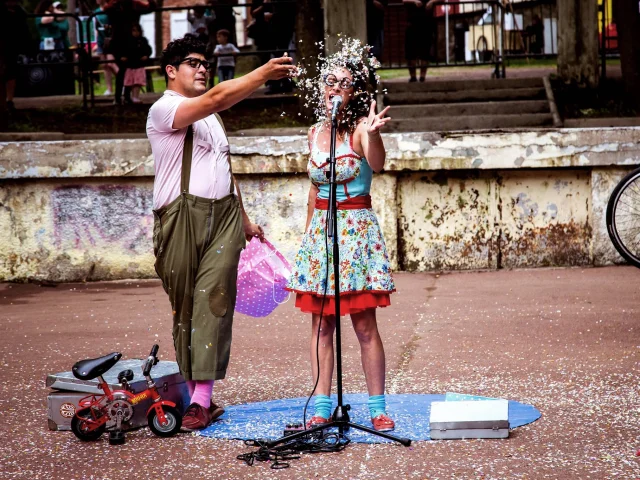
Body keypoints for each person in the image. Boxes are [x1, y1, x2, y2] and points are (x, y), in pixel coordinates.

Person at [146, 34, 295, 430]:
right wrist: (263, 72)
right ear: (171, 71)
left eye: (204, 64)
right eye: (192, 63)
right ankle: (194, 391)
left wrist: (244, 220)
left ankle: (201, 400)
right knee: (185, 306)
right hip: (179, 217)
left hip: (225, 216)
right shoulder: (164, 109)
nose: (202, 69)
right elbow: (214, 98)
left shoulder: (213, 118)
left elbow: (225, 170)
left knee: (213, 300)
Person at [285, 38, 396, 432]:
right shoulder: (314, 132)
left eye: (344, 83)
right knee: (321, 326)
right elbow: (314, 189)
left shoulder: (362, 129)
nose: (335, 87)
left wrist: (376, 132)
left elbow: (378, 165)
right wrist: (306, 241)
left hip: (356, 234)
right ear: (321, 87)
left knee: (365, 326)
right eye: (329, 80)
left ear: (354, 91)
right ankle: (320, 407)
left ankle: (377, 408)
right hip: (322, 234)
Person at [103, 0, 156, 105]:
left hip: (131, 43)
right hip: (120, 43)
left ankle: (126, 96)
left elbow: (151, 7)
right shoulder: (116, 7)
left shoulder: (134, 5)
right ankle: (119, 97)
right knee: (122, 71)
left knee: (128, 70)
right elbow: (107, 9)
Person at [1, 0, 29, 113]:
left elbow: (23, 29)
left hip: (11, 45)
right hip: (3, 43)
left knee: (11, 73)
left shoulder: (19, 12)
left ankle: (9, 100)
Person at [403, 0, 436, 82]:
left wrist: (432, 1)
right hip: (412, 23)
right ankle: (413, 76)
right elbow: (404, 1)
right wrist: (414, 1)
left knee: (425, 51)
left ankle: (422, 76)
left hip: (426, 23)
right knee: (411, 52)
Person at [122, 23, 151, 103]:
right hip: (130, 65)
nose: (136, 33)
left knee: (137, 82)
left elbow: (148, 49)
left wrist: (146, 55)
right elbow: (124, 50)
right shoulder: (127, 41)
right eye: (134, 31)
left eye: (138, 31)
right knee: (129, 82)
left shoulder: (143, 40)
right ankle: (127, 97)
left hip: (139, 65)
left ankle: (135, 97)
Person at [94, 0, 119, 96]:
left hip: (110, 41)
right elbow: (95, 28)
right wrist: (96, 43)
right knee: (105, 66)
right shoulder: (96, 12)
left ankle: (125, 83)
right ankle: (109, 88)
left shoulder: (111, 9)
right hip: (100, 41)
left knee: (111, 63)